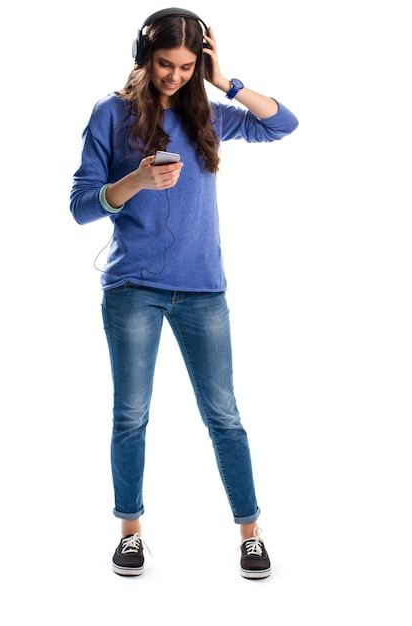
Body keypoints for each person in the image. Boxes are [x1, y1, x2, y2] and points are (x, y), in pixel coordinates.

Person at [70, 7, 298, 579]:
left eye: (186, 65)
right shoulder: (110, 114)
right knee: (131, 414)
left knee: (224, 416)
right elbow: (79, 206)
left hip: (202, 291)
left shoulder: (209, 114)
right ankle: (130, 532)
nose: (173, 75)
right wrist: (136, 180)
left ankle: (250, 532)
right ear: (143, 56)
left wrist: (228, 82)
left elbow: (283, 123)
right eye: (165, 63)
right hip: (133, 290)